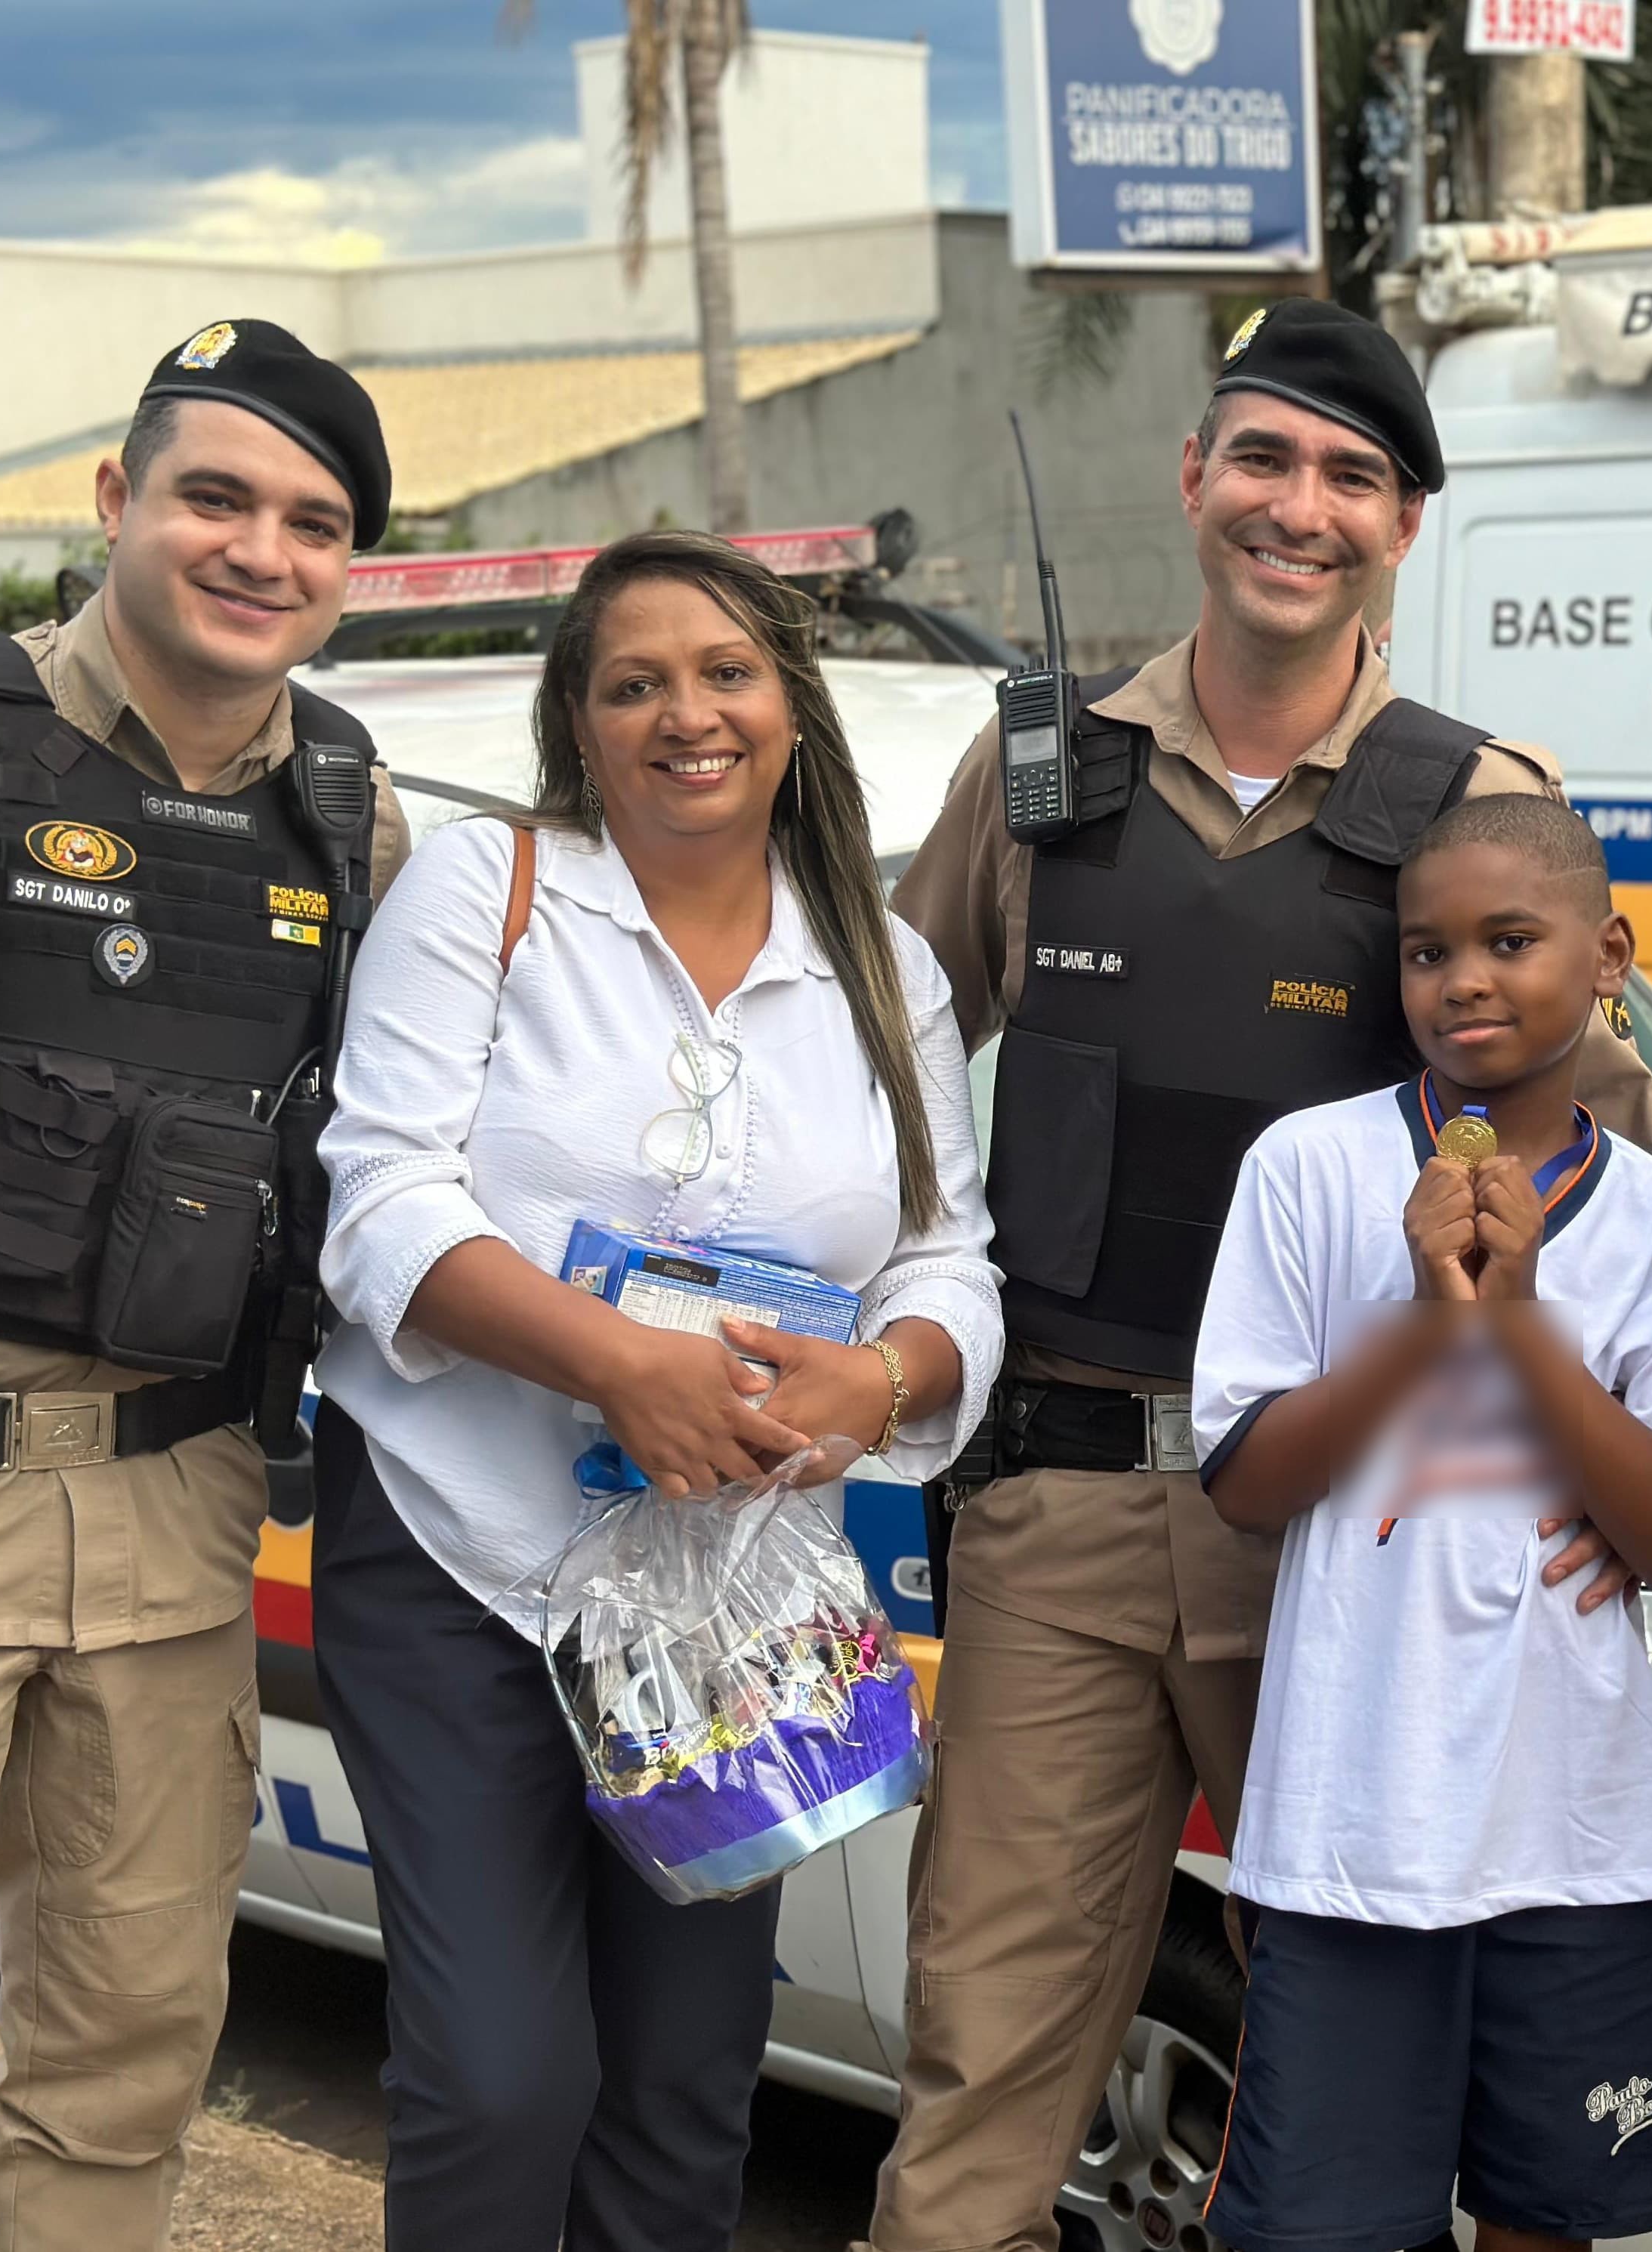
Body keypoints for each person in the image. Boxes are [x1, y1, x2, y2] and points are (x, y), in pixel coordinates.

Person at [869, 295, 1652, 2252]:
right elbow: (869, 1071)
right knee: (982, 2066)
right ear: (1191, 477)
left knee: (1394, 2073)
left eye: (1346, 473)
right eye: (1260, 457)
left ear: (1401, 522)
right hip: (1056, 1507)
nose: (1293, 507)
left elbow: (1607, 1163)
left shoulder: (1473, 792)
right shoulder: (1037, 766)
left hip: (1357, 1535)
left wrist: (1607, 1452)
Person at [311, 529, 1002, 2252]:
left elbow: (942, 1261)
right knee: (497, 2078)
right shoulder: (491, 893)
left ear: (789, 705)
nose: (685, 714)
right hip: (459, 1563)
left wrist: (883, 1379)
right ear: (583, 721)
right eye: (634, 683)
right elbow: (381, 1194)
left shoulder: (884, 967)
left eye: (726, 673)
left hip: (730, 1601)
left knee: (686, 2089)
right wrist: (620, 1363)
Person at [0, 317, 405, 2250]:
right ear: (117, 500)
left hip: (182, 1517)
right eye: (216, 496)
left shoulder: (359, 823)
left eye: (312, 522)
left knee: (124, 2066)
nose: (259, 551)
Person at [1195, 793, 1652, 2252]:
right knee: (1321, 2226)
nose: (1465, 980)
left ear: (1608, 951)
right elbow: (1247, 1478)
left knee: (1550, 2211)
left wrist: (1512, 1325)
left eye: (1511, 939)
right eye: (1428, 952)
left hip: (1578, 1821)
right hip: (1354, 1817)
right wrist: (1421, 1328)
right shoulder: (1308, 1167)